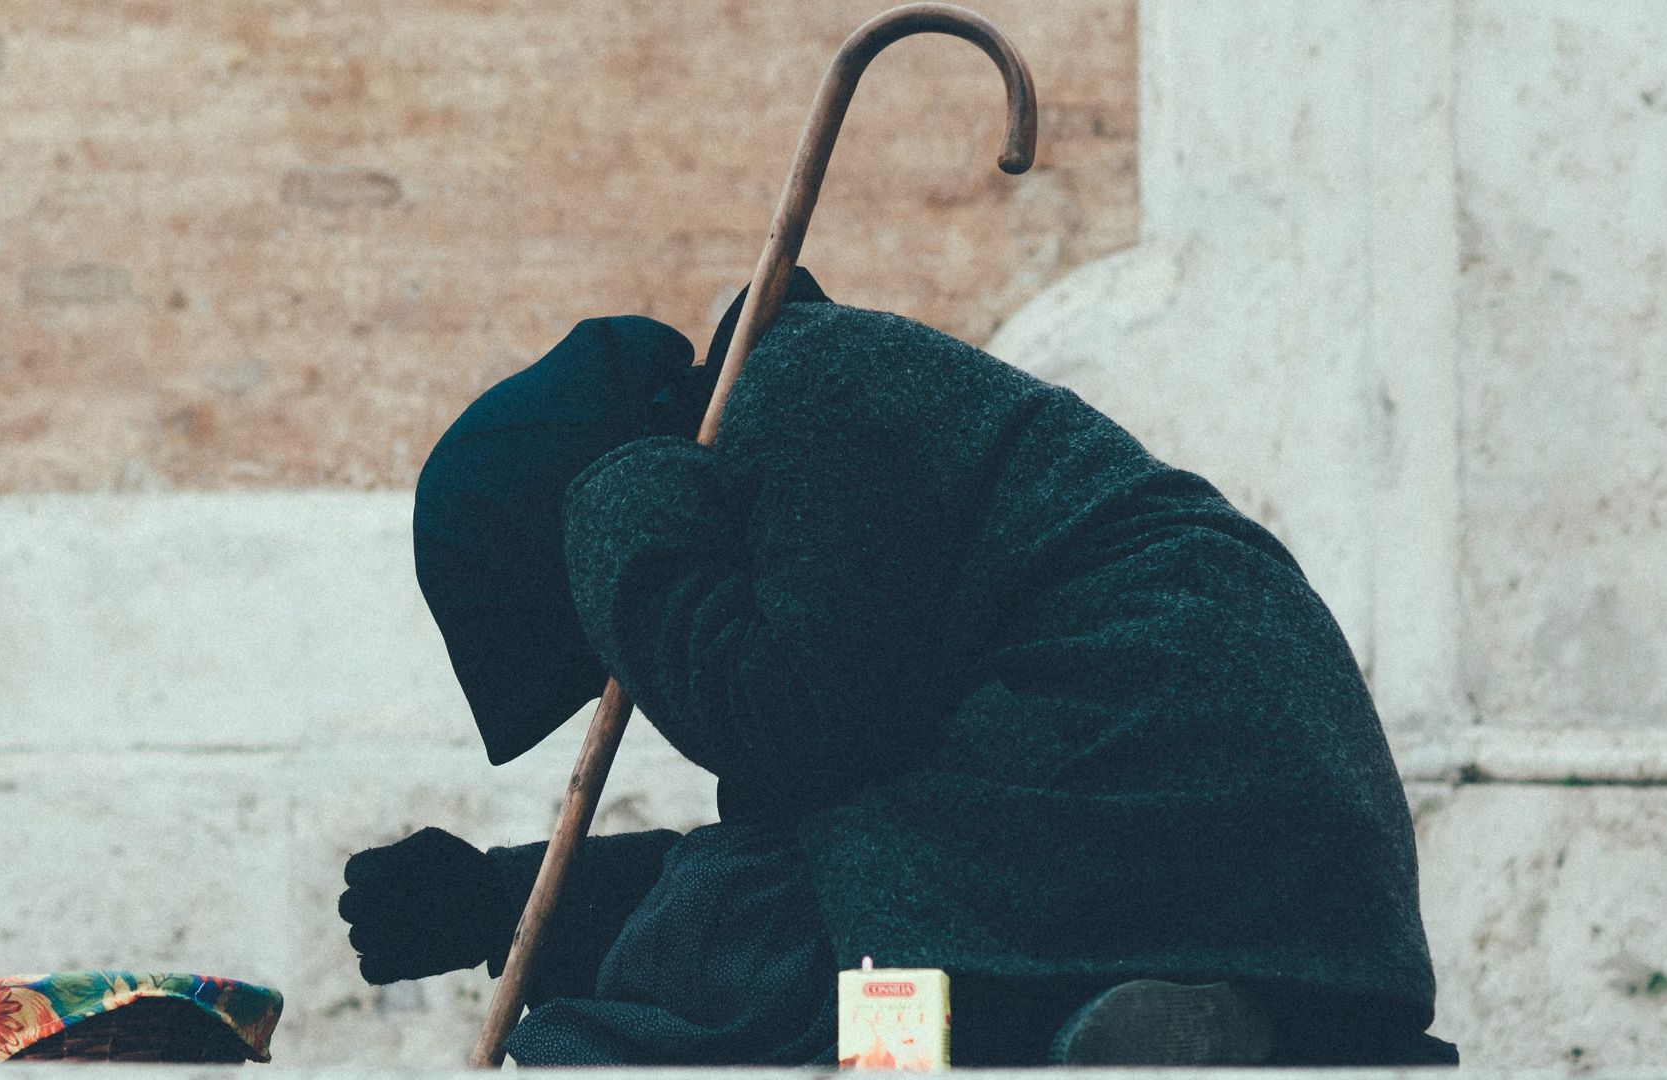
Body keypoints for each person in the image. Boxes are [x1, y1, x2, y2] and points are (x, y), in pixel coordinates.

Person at [337, 273, 1459, 1066]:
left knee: (682, 982)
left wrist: (618, 512)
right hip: (1187, 849)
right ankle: (1076, 1015)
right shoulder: (833, 412)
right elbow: (821, 831)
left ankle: (1067, 1010)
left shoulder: (810, 386)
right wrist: (506, 900)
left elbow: (786, 735)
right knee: (764, 927)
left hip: (1151, 786)